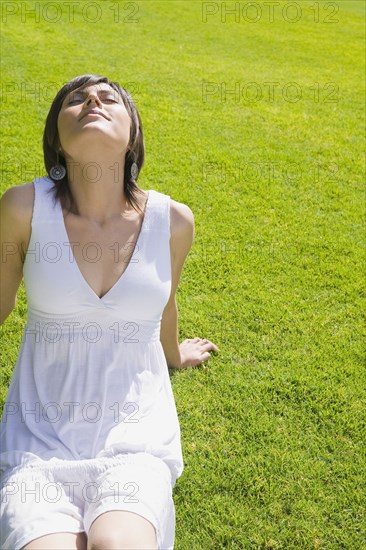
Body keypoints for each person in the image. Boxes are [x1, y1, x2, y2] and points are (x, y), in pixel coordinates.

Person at [0, 74, 220, 550]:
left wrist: (172, 353)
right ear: (57, 140)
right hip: (38, 442)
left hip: (135, 441)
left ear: (133, 134)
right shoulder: (23, 208)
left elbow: (163, 296)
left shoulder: (172, 221)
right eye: (75, 99)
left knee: (119, 544)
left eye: (108, 98)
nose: (92, 101)